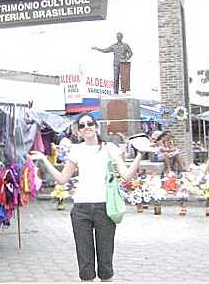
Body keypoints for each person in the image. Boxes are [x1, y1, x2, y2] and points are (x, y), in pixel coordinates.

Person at [29, 113, 143, 282]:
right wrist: (44, 160)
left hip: (104, 208)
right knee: (85, 263)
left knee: (105, 262)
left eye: (90, 123)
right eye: (82, 125)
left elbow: (126, 175)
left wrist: (140, 154)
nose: (86, 127)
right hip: (81, 209)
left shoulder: (109, 148)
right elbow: (62, 179)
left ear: (96, 126)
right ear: (79, 132)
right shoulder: (76, 151)